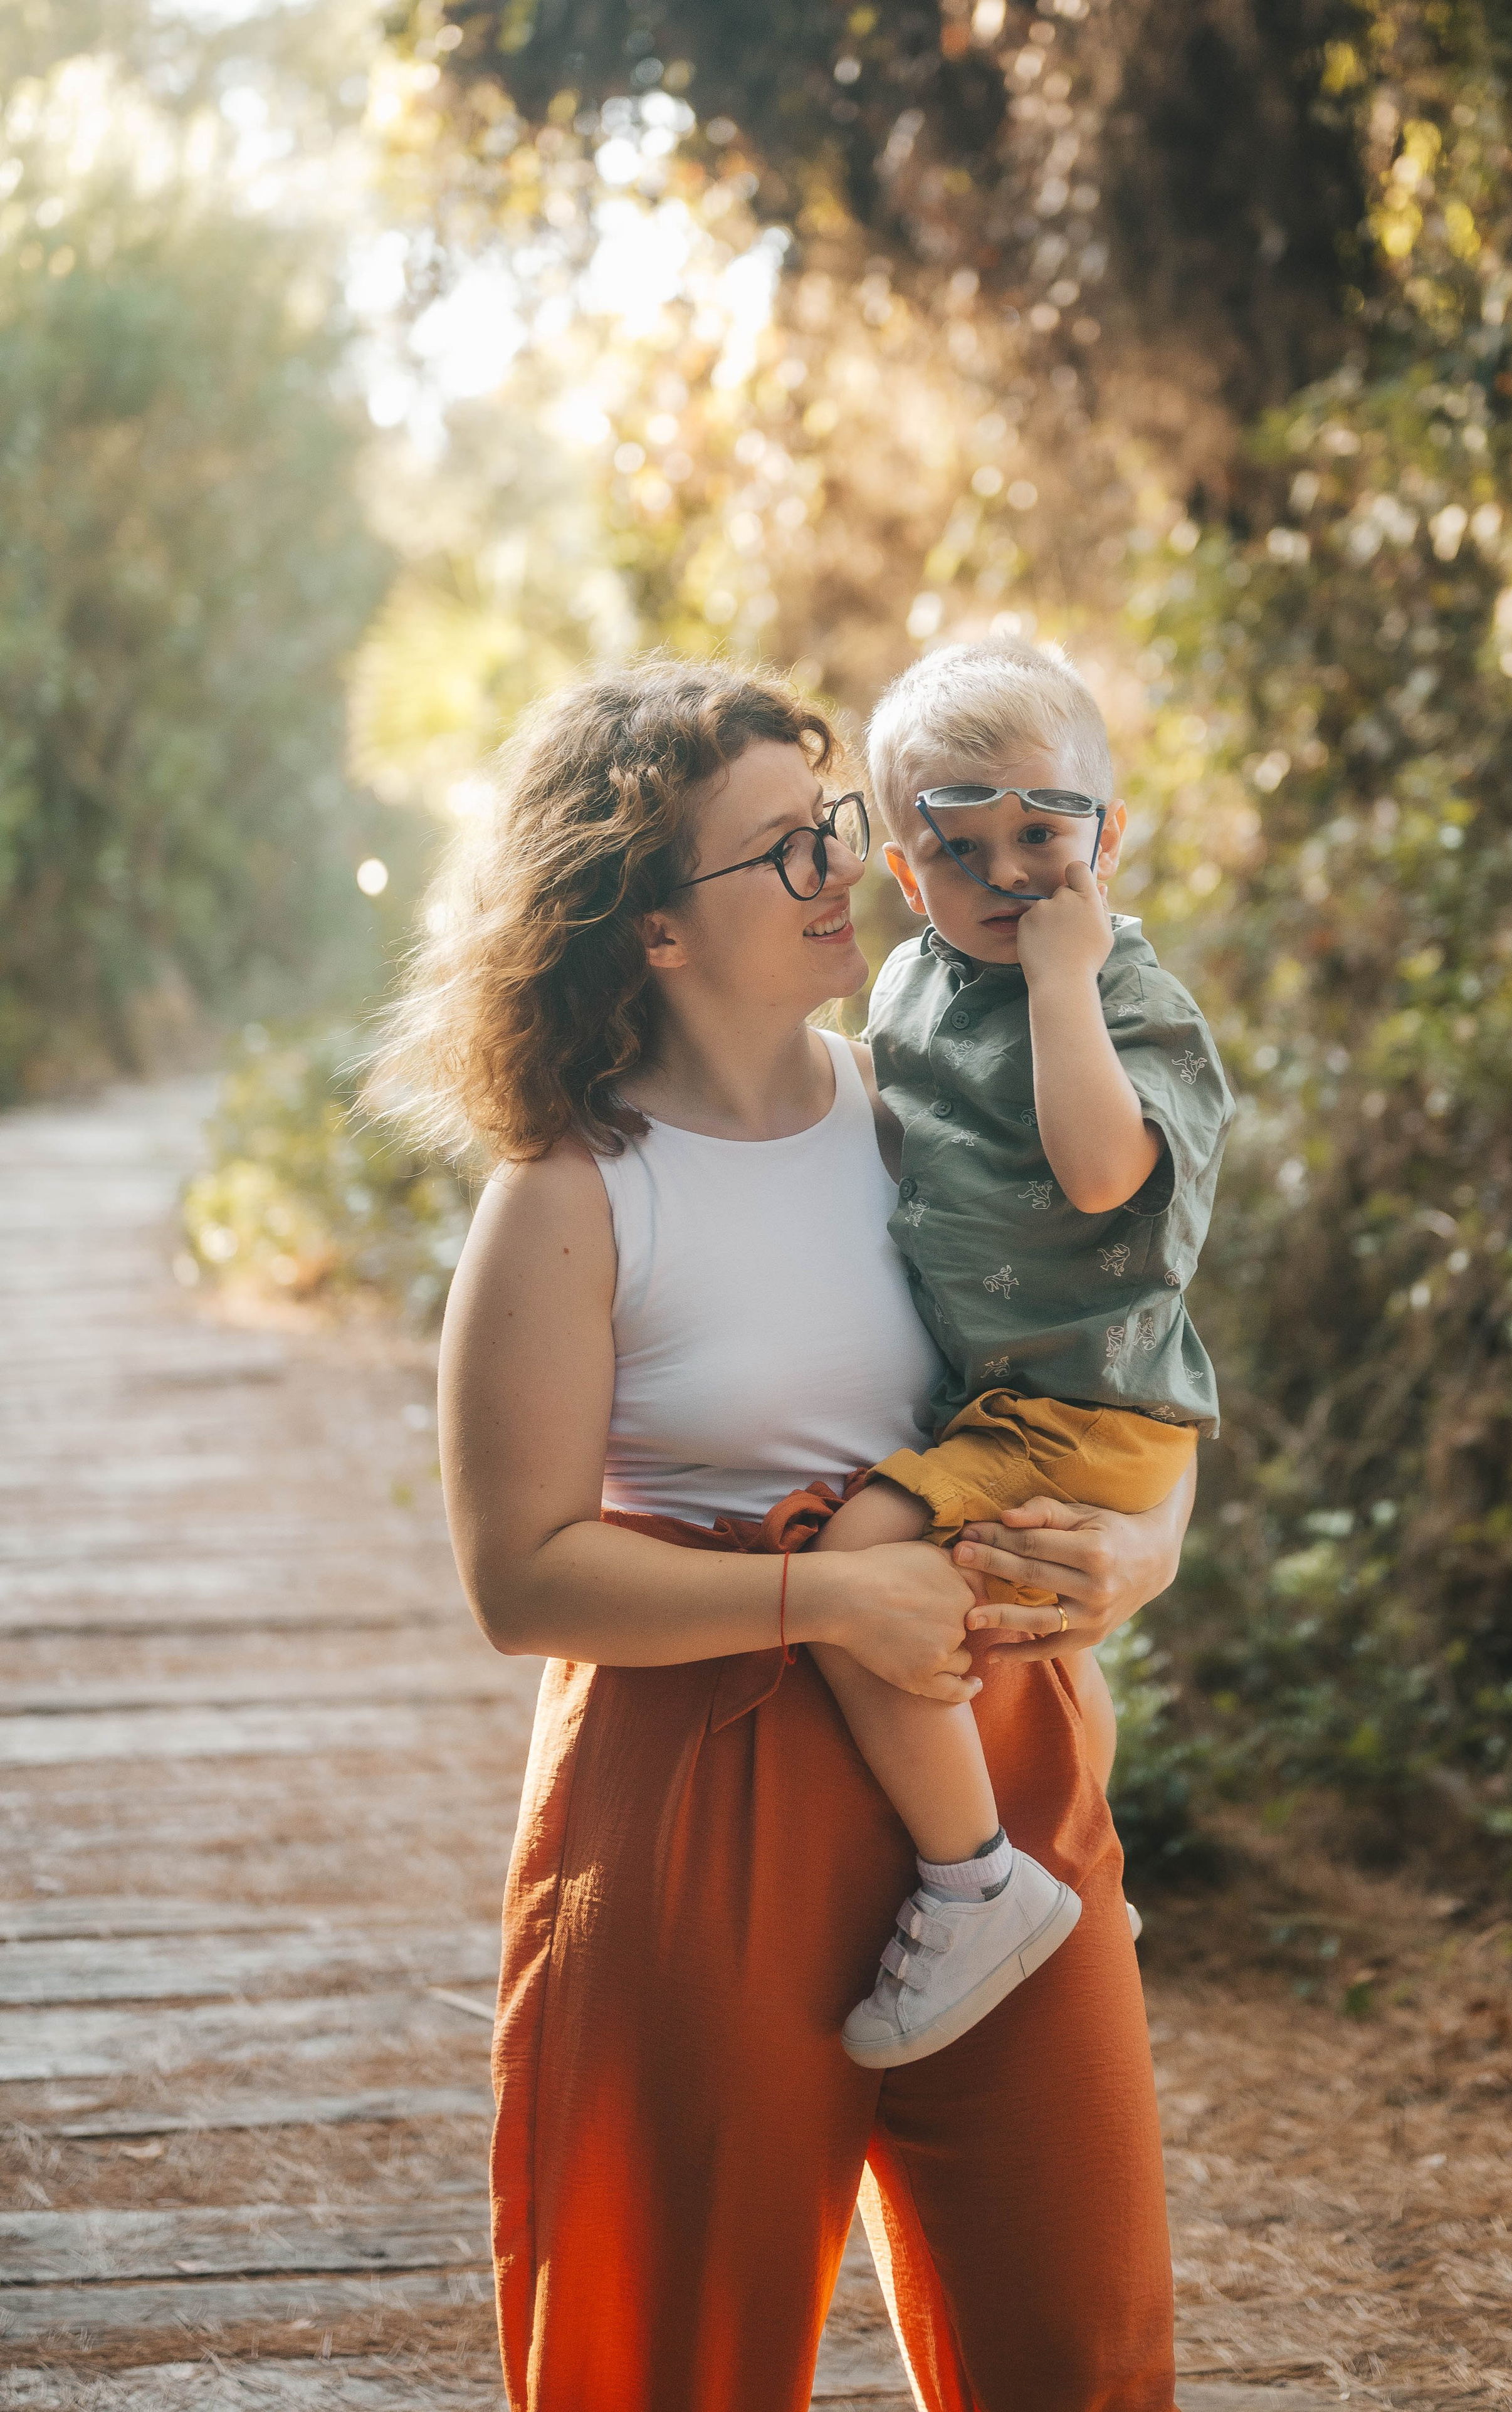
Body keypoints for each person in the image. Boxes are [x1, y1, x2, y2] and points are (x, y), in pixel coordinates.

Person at [382, 655, 1194, 2412]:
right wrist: (826, 1600)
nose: (845, 865)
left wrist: (1155, 1545)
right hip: (701, 1789)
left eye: (829, 824)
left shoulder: (932, 1091)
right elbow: (519, 1580)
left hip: (1002, 1760)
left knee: (1080, 2334)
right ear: (656, 927)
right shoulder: (572, 1193)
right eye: (783, 850)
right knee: (668, 2348)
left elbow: (1121, 1337)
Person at [808, 641, 1233, 2069]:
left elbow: (1102, 1169)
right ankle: (1075, 1871)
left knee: (862, 1557)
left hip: (1086, 1399)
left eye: (1039, 837)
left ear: (1106, 840)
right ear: (902, 872)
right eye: (960, 846)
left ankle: (977, 1880)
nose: (1006, 878)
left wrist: (1065, 984)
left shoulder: (1130, 1001)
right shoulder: (911, 991)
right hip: (1002, 1395)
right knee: (1026, 1644)